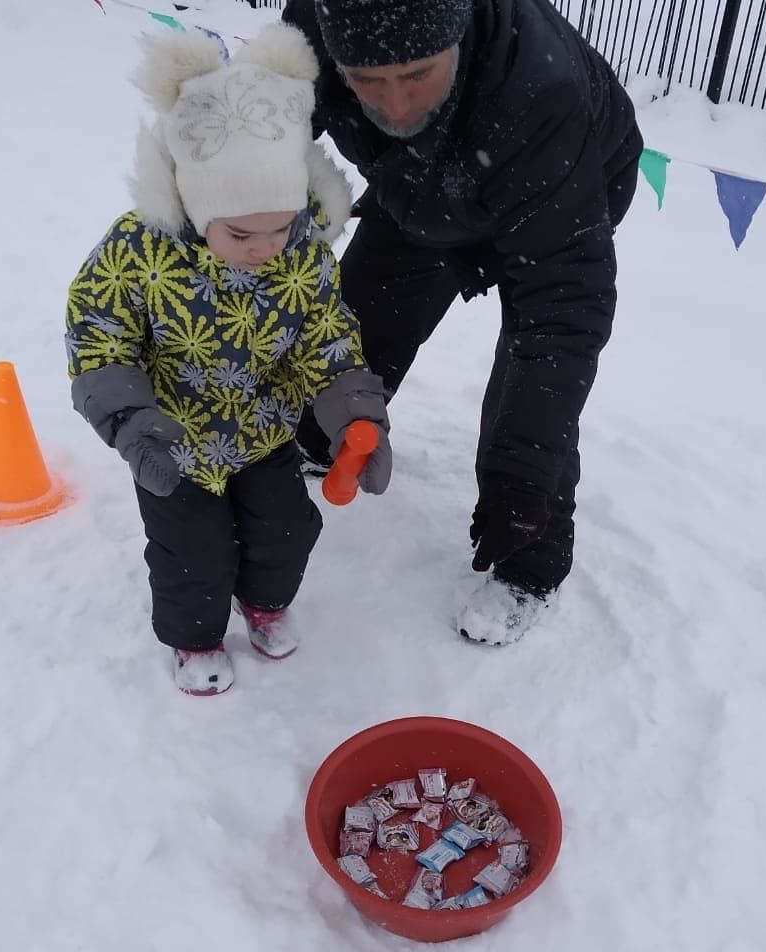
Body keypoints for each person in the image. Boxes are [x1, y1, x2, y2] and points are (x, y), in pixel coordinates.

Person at [282, 0, 643, 646]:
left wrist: (520, 471)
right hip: (419, 183)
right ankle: (321, 434)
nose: (393, 106)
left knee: (526, 401)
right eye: (365, 79)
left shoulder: (540, 93)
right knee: (362, 312)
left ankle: (530, 561)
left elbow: (561, 312)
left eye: (417, 73)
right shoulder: (312, 29)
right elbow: (264, 129)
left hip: (559, 187)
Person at [64, 24, 392, 695]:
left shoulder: (301, 251)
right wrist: (129, 420)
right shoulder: (141, 250)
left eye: (281, 225)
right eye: (241, 232)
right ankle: (197, 637)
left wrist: (355, 416)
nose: (265, 246)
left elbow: (326, 338)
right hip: (172, 443)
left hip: (264, 431)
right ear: (194, 203)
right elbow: (97, 330)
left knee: (286, 532)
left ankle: (265, 602)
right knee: (192, 554)